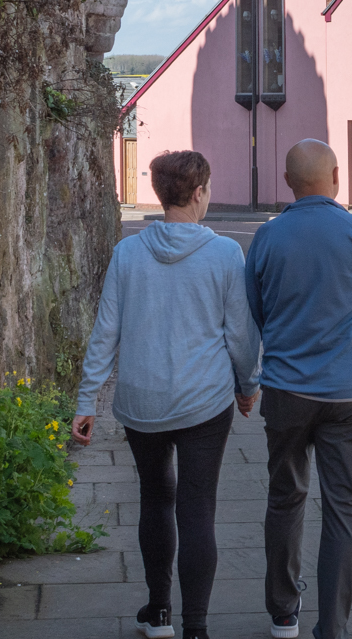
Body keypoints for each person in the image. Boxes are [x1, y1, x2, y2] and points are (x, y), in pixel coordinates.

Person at [73, 150, 260, 639]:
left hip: (142, 402)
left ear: (161, 194)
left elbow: (105, 333)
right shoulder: (223, 254)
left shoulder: (128, 253)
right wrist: (247, 387)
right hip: (204, 401)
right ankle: (195, 627)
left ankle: (158, 614)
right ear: (198, 193)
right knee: (198, 508)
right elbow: (240, 335)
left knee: (155, 499)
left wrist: (85, 401)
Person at [245, 139, 352, 639]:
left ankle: (282, 613)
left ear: (289, 182)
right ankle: (332, 627)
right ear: (336, 177)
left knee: (285, 497)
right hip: (349, 394)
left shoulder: (267, 238)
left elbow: (252, 312)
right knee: (345, 507)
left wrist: (255, 371)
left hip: (286, 391)